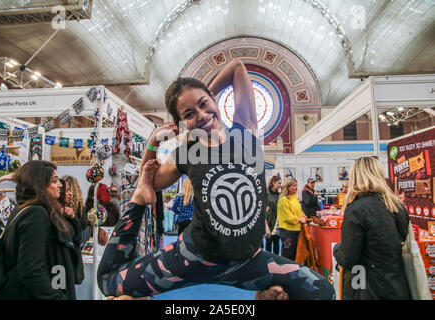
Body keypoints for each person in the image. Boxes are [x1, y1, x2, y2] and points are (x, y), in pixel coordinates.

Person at [97, 58, 335, 300]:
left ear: (213, 98)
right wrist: (154, 140)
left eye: (203, 103)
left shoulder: (246, 132)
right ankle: (137, 203)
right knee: (109, 282)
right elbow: (148, 181)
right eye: (189, 113)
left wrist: (207, 91)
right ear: (182, 123)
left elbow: (237, 67)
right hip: (193, 257)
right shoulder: (187, 152)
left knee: (322, 290)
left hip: (247, 261)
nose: (201, 115)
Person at [0, 160, 83, 299]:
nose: (60, 185)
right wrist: (56, 297)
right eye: (55, 181)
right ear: (40, 184)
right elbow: (31, 269)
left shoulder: (25, 210)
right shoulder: (35, 214)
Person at [333, 156, 411, 300]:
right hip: (396, 285)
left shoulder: (357, 209)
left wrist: (336, 249)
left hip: (366, 287)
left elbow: (348, 258)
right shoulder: (397, 207)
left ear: (355, 177)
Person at [277, 178, 310, 260]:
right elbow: (287, 217)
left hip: (296, 230)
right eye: (293, 186)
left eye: (296, 186)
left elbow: (298, 210)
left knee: (295, 253)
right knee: (288, 254)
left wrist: (302, 215)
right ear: (287, 187)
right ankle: (286, 271)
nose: (296, 188)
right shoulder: (283, 200)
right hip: (288, 231)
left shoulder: (295, 198)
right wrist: (299, 219)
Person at [265, 175, 282, 255]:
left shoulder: (279, 195)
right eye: (278, 183)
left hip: (277, 221)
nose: (280, 185)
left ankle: (276, 262)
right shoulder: (266, 193)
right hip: (268, 221)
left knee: (276, 243)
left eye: (280, 183)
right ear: (273, 182)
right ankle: (268, 262)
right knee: (268, 242)